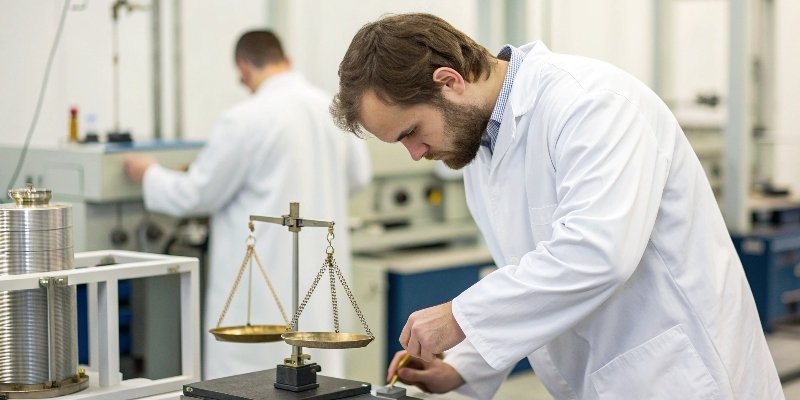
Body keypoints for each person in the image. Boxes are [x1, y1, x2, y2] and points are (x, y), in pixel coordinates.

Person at [330, 13, 783, 400]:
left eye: (411, 131)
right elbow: (528, 271)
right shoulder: (478, 147)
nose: (413, 153)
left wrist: (461, 316)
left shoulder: (590, 104)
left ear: (449, 82)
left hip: (680, 376)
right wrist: (465, 364)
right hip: (607, 377)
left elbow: (597, 253)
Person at [126, 30, 371, 380]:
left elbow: (197, 194)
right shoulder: (331, 108)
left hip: (261, 296)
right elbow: (359, 177)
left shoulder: (246, 118)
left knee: (253, 382)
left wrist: (148, 174)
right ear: (286, 60)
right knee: (316, 381)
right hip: (315, 290)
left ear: (243, 67)